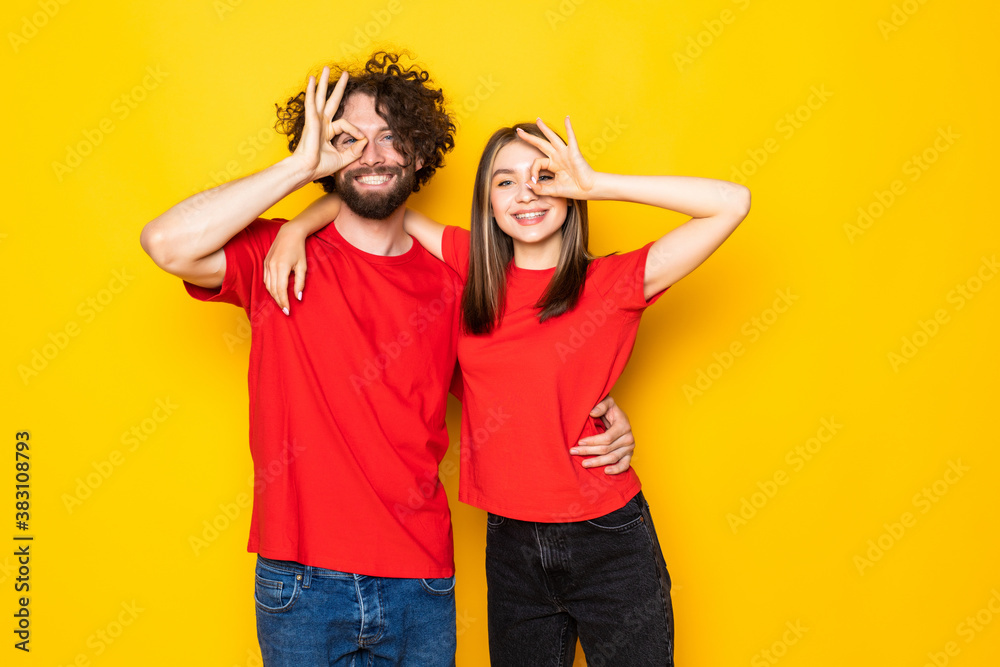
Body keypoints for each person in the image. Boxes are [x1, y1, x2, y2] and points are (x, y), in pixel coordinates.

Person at [139, 52, 637, 666]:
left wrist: (601, 414)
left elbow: (520, 378)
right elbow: (166, 244)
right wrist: (298, 172)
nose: (370, 154)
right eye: (349, 139)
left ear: (421, 154)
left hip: (420, 581)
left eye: (391, 138)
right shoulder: (276, 255)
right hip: (300, 581)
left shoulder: (461, 283)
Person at [266, 116, 751, 665]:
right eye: (505, 182)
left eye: (544, 176)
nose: (527, 194)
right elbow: (375, 208)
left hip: (608, 539)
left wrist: (598, 184)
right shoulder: (471, 265)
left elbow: (732, 202)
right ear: (488, 203)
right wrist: (296, 226)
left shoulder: (612, 284)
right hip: (511, 543)